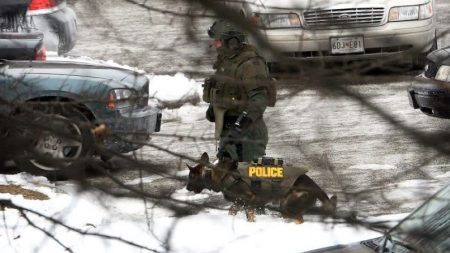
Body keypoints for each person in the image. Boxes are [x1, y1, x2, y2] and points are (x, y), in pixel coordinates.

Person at [202, 19, 274, 162]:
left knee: (249, 180)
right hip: (229, 133)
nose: (214, 44)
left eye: (218, 41)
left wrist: (239, 126)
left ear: (232, 42)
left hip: (248, 136)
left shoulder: (250, 64)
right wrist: (213, 109)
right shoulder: (227, 62)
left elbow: (260, 100)